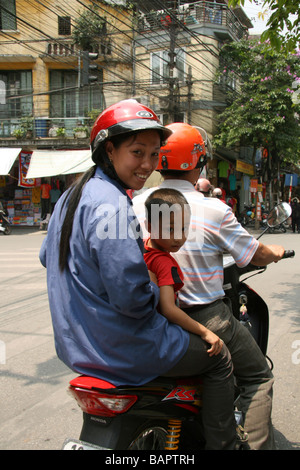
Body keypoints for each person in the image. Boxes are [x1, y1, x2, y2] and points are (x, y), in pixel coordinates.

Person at [39, 100, 237, 450]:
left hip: (75, 345)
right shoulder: (112, 204)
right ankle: (224, 445)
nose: (147, 165)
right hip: (120, 348)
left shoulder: (71, 195)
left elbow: (47, 257)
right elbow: (132, 299)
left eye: (153, 154)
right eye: (137, 152)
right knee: (220, 358)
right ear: (109, 150)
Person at [133, 121, 286, 450]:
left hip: (150, 319)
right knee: (258, 376)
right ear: (199, 162)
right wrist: (273, 253)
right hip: (205, 316)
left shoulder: (136, 203)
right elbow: (253, 255)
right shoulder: (214, 209)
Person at [144, 187, 223, 356]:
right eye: (170, 229)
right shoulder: (164, 263)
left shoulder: (142, 248)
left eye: (184, 229)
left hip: (143, 332)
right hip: (162, 336)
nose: (179, 237)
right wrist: (205, 332)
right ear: (149, 226)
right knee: (221, 359)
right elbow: (168, 309)